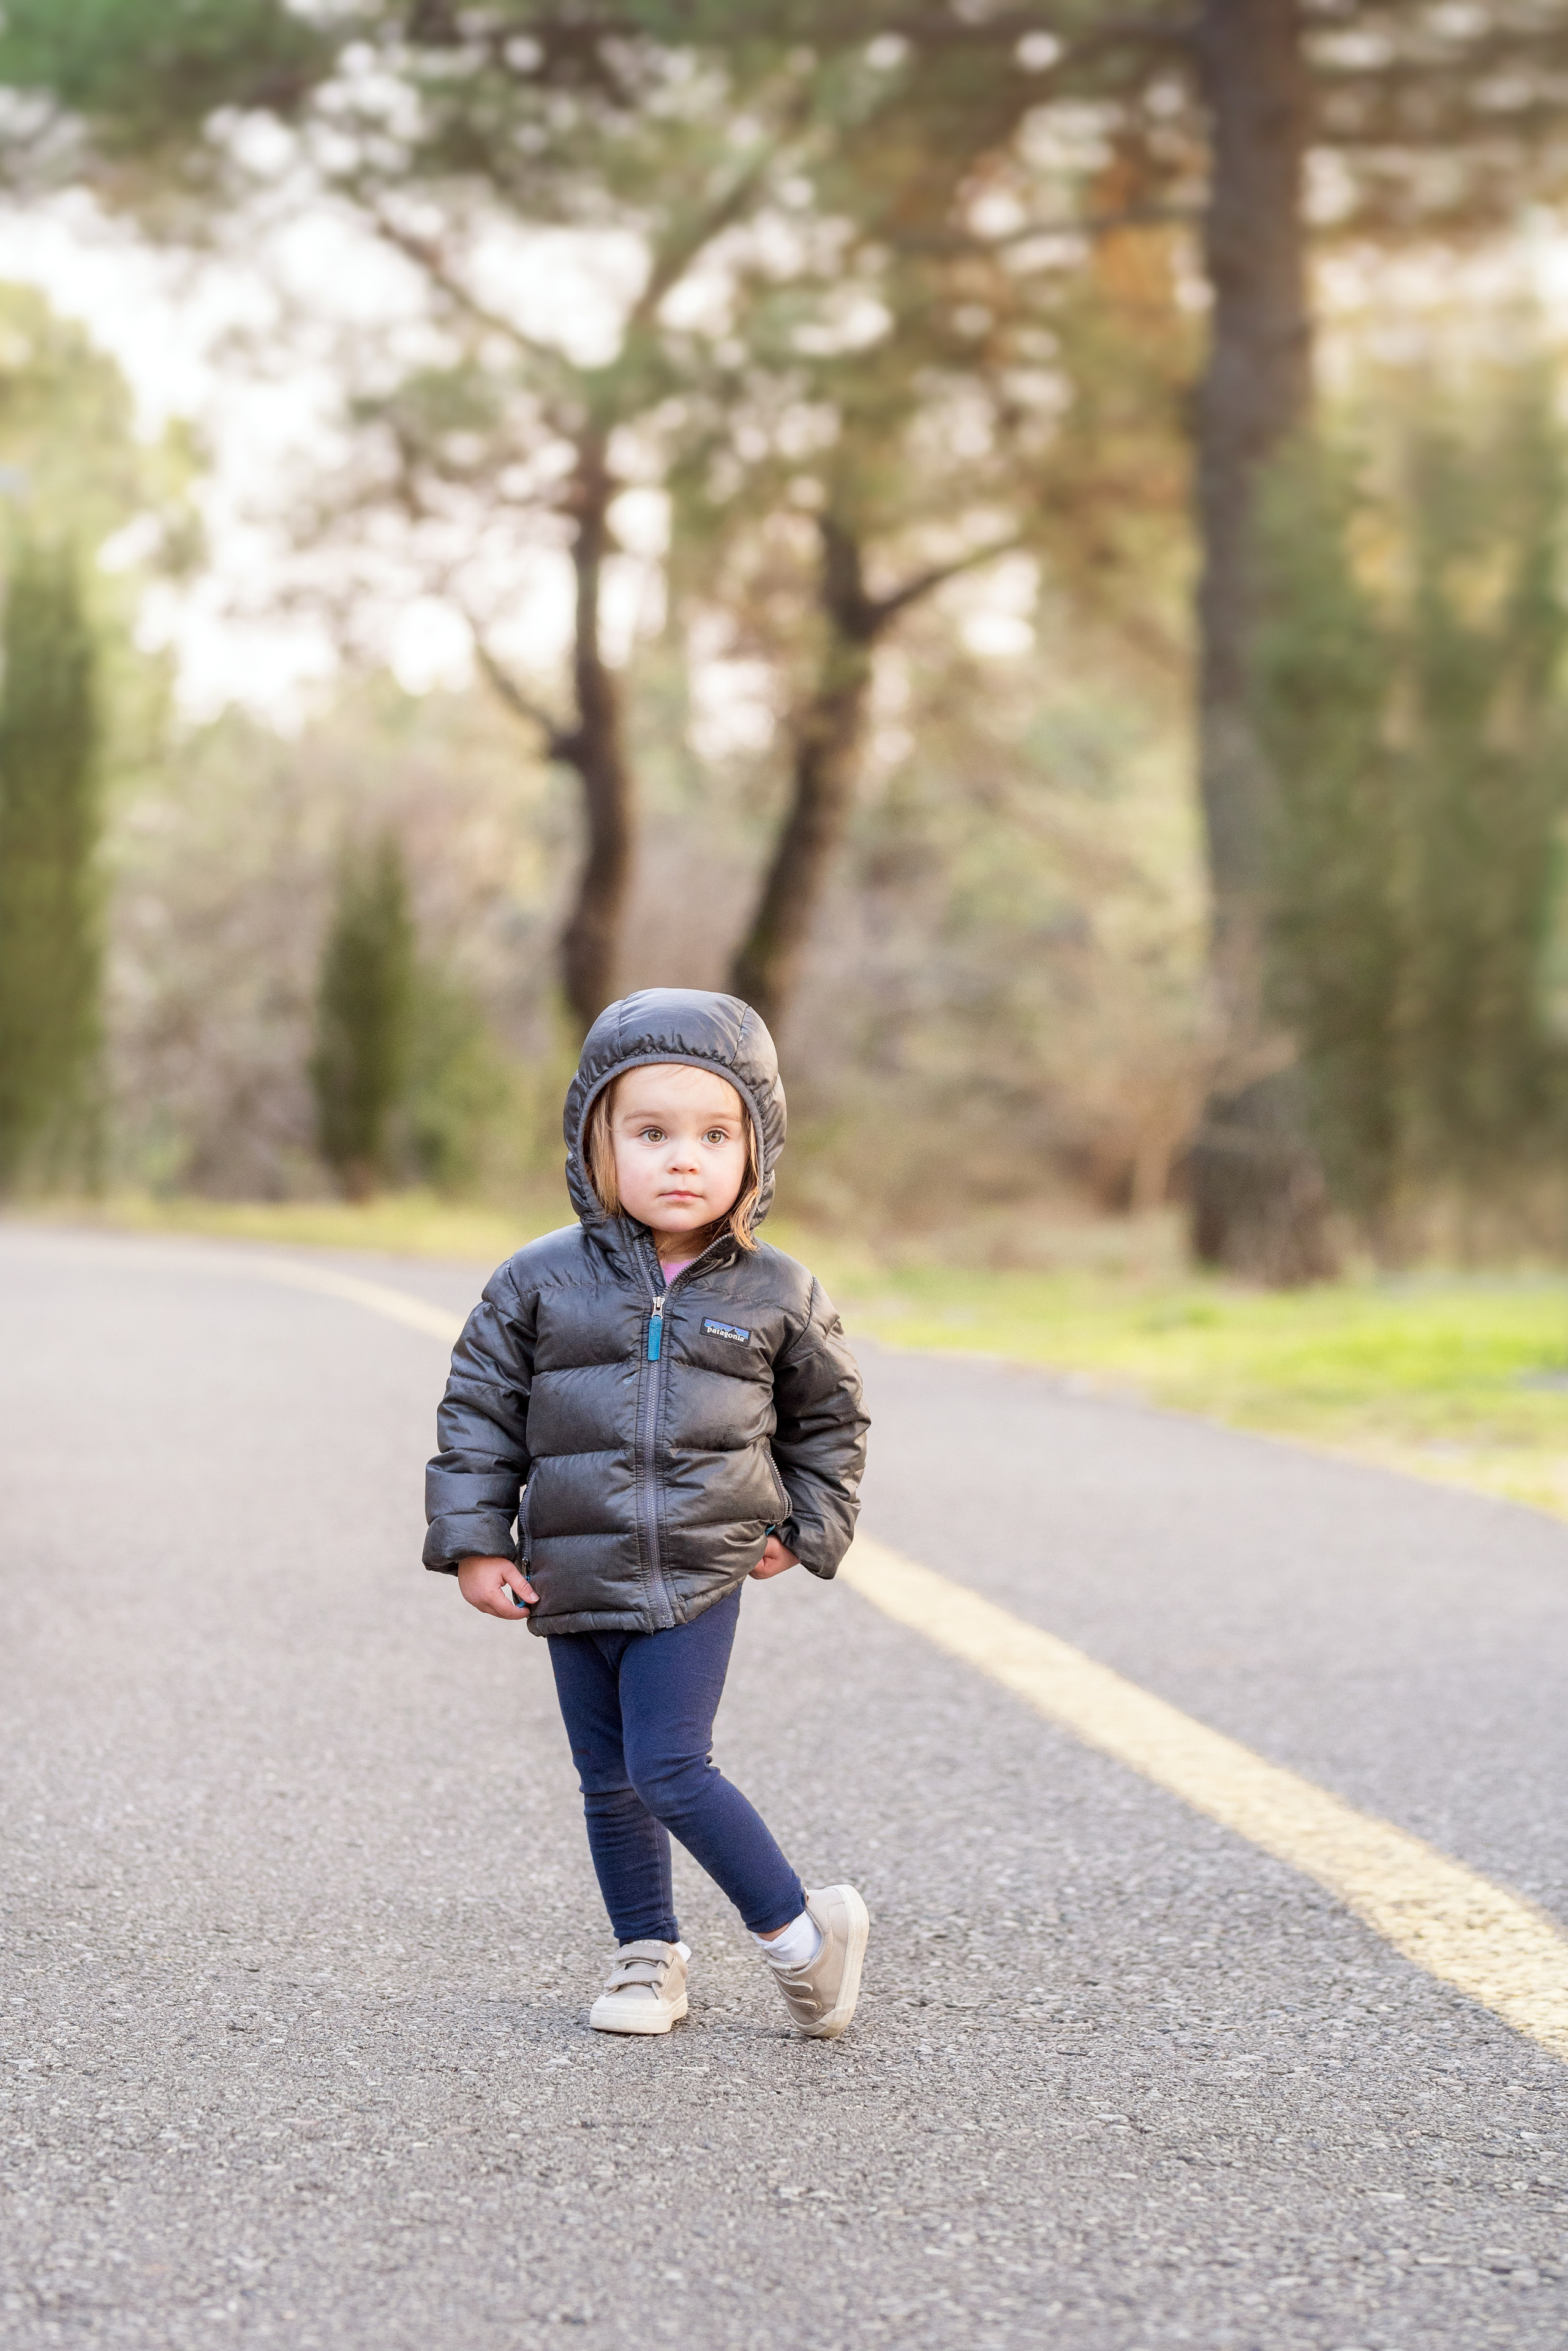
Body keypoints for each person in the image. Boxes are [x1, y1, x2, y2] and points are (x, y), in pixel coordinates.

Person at [424, 989, 872, 2039]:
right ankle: (646, 1955)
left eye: (716, 1135)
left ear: (756, 1149)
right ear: (596, 1143)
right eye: (652, 1132)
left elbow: (831, 1421)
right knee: (606, 1780)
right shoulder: (536, 1281)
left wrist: (804, 1525)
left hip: (698, 1570)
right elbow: (477, 1411)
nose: (684, 1159)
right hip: (571, 1564)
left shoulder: (778, 1292)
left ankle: (800, 1939)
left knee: (668, 1763)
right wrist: (478, 1538)